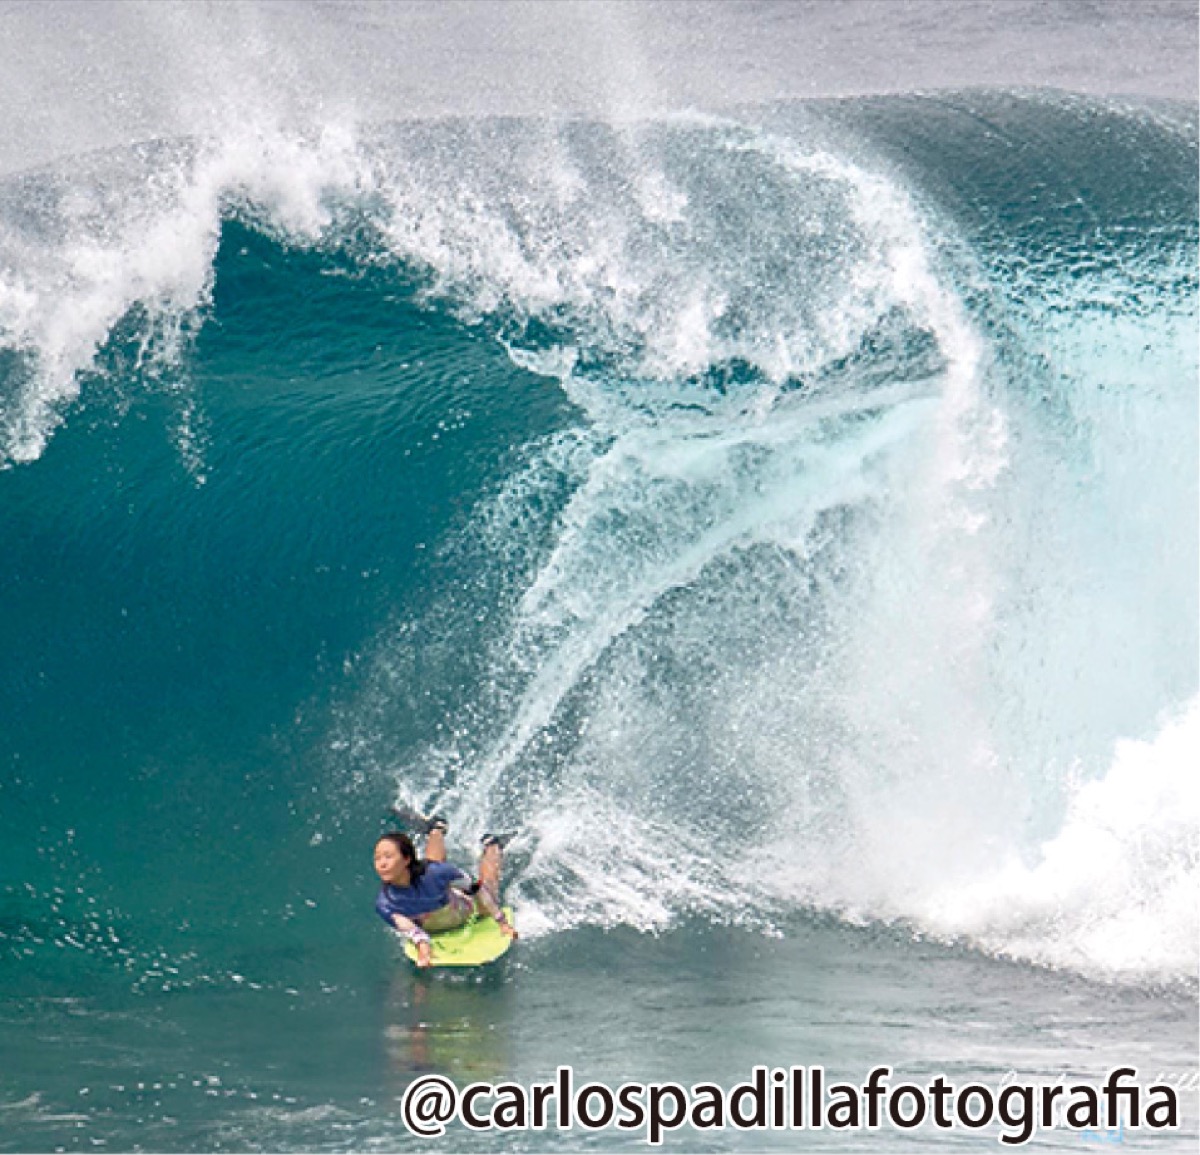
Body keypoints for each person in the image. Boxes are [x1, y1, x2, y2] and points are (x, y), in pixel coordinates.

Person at [374, 812, 517, 968]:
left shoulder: (436, 873)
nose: (381, 864)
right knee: (433, 870)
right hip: (435, 920)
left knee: (483, 888)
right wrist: (424, 951)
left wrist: (501, 921)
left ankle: (492, 845)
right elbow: (413, 932)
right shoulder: (386, 904)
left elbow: (477, 889)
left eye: (388, 857)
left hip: (465, 910)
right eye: (377, 858)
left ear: (406, 858)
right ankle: (436, 828)